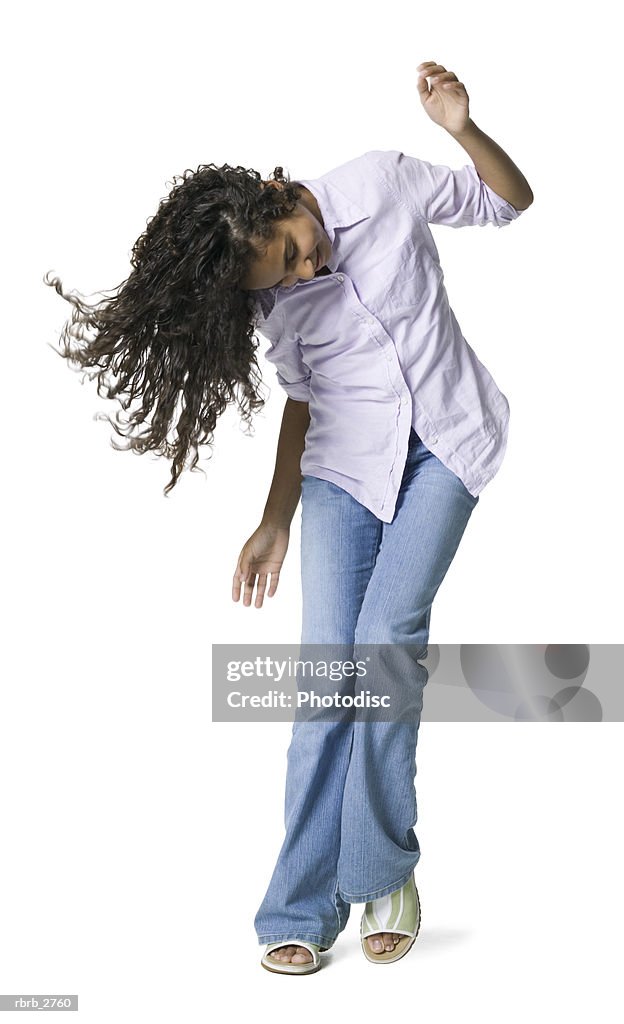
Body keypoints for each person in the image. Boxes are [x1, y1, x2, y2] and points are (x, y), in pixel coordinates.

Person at [45, 60, 533, 975]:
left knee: (384, 641)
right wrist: (274, 518)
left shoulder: (381, 183)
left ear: (282, 193)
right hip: (344, 472)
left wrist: (464, 129)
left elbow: (511, 201)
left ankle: (384, 872)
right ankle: (300, 903)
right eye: (288, 273)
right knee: (324, 681)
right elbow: (303, 403)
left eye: (301, 249)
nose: (310, 268)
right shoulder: (268, 294)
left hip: (447, 446)